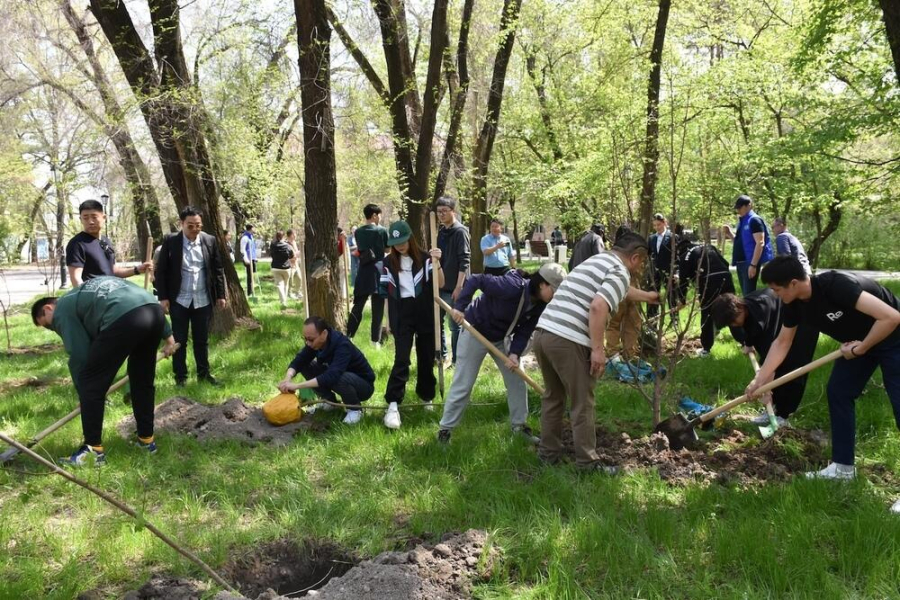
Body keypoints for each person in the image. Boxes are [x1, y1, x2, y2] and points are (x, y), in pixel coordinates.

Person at [745, 256, 900, 512]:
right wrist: (761, 378)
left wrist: (862, 348)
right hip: (858, 343)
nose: (774, 294)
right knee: (838, 392)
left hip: (893, 337)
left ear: (794, 283)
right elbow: (782, 342)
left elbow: (892, 317)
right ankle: (842, 467)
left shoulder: (837, 285)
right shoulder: (794, 303)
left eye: (777, 288)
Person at [532, 232, 649, 470]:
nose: (641, 269)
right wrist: (598, 350)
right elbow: (598, 306)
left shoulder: (597, 262)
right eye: (643, 263)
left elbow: (620, 291)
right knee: (582, 402)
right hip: (568, 339)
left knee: (553, 398)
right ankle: (587, 463)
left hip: (544, 333)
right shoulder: (619, 271)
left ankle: (548, 455)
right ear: (635, 258)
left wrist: (650, 297)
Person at [31, 277, 177, 466]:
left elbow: (79, 355)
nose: (52, 328)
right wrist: (168, 335)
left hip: (125, 319)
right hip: (154, 313)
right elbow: (140, 300)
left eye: (47, 324)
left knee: (90, 381)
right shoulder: (89, 290)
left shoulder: (63, 309)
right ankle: (146, 441)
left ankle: (92, 452)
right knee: (142, 381)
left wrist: (84, 393)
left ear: (49, 308)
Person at [437, 263, 566, 444]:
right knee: (464, 383)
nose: (555, 297)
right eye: (555, 290)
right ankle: (445, 430)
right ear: (543, 284)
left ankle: (519, 426)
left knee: (517, 380)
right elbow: (476, 279)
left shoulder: (539, 305)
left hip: (500, 338)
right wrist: (459, 306)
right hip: (475, 331)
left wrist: (514, 353)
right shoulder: (511, 286)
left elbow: (525, 330)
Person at [711, 290, 818, 424]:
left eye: (733, 321)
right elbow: (749, 331)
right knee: (771, 372)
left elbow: (772, 357)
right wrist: (748, 343)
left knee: (792, 367)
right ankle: (772, 409)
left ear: (740, 307)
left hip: (803, 323)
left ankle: (783, 415)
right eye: (729, 323)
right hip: (781, 324)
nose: (733, 325)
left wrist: (764, 386)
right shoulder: (741, 312)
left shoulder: (760, 314)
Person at [379, 221, 443, 429]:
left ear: (410, 238)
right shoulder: (388, 263)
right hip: (401, 312)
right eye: (395, 242)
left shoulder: (425, 258)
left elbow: (440, 284)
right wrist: (388, 320)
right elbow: (386, 294)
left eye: (403, 241)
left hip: (424, 309)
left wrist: (437, 262)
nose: (399, 246)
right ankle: (393, 404)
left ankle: (427, 397)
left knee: (426, 356)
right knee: (402, 358)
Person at [154, 205, 227, 387]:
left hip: (202, 299)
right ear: (182, 224)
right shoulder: (171, 241)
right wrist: (163, 298)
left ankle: (204, 374)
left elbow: (217, 269)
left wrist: (221, 294)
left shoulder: (209, 240)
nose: (195, 229)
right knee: (179, 341)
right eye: (190, 225)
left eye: (198, 225)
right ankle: (181, 377)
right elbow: (161, 271)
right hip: (179, 300)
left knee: (201, 340)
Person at [277, 316, 376, 425]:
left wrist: (296, 386)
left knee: (339, 377)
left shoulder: (342, 345)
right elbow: (299, 361)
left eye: (310, 339)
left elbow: (332, 375)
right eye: (305, 339)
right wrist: (287, 378)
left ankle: (355, 409)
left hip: (363, 386)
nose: (307, 343)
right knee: (305, 365)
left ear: (324, 334)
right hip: (338, 377)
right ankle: (330, 402)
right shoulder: (315, 343)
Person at [66, 199, 153, 287]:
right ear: (81, 219)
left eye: (94, 217)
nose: (90, 222)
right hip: (93, 295)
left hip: (111, 291)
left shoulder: (105, 241)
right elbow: (76, 279)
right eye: (85, 218)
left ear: (104, 218)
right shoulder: (77, 244)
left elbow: (113, 270)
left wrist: (137, 270)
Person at [676, 240, 736, 356]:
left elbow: (683, 281)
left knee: (707, 314)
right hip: (726, 277)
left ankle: (706, 349)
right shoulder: (709, 247)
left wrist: (682, 300)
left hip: (709, 281)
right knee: (732, 308)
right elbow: (725, 263)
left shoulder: (685, 256)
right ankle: (744, 341)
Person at [436, 196, 471, 366]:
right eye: (439, 212)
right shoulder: (441, 231)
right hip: (441, 285)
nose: (441, 214)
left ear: (453, 211)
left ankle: (457, 361)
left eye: (445, 211)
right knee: (437, 322)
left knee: (455, 325)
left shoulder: (460, 231)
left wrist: (459, 287)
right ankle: (441, 356)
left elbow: (465, 260)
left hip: (456, 287)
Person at [347, 204, 389, 345]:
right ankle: (375, 341)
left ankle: (349, 336)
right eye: (379, 215)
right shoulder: (382, 231)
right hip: (378, 270)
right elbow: (388, 249)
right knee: (378, 308)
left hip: (364, 270)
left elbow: (360, 249)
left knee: (358, 305)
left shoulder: (358, 232)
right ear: (375, 215)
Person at [724, 195, 773, 295]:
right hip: (741, 262)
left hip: (749, 262)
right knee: (746, 295)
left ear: (748, 205)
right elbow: (740, 243)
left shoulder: (754, 220)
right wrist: (729, 234)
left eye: (740, 207)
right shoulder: (742, 221)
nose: (738, 210)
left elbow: (760, 242)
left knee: (749, 295)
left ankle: (753, 310)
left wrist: (753, 265)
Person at [647, 213, 680, 321]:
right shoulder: (651, 238)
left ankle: (674, 319)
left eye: (659, 225)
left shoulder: (672, 237)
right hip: (654, 272)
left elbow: (677, 256)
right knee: (653, 294)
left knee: (671, 294)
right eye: (655, 225)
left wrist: (677, 272)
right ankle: (652, 318)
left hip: (668, 271)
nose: (657, 227)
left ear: (664, 223)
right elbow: (649, 254)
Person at [269, 231, 295, 309]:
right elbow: (291, 256)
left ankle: (283, 301)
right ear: (283, 236)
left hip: (275, 267)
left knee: (279, 285)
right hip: (286, 268)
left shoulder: (273, 245)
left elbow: (271, 254)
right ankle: (284, 300)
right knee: (286, 285)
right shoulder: (287, 246)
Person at [239, 224, 258, 297]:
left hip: (252, 258)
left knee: (253, 274)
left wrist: (255, 257)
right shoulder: (245, 237)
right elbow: (242, 249)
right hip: (248, 259)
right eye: (254, 228)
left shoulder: (251, 237)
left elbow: (253, 248)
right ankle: (250, 292)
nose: (255, 229)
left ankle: (253, 289)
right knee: (249, 275)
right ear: (251, 228)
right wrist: (245, 258)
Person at [286, 229, 303, 300]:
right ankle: (289, 293)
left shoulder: (294, 242)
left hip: (296, 264)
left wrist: (298, 253)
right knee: (290, 280)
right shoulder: (286, 244)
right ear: (290, 235)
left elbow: (295, 252)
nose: (295, 235)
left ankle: (297, 292)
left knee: (299, 278)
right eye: (294, 234)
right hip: (290, 264)